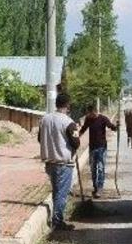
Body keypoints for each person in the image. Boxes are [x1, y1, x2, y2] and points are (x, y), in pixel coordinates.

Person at [38, 93, 80, 231]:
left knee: (57, 190)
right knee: (62, 192)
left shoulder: (44, 119)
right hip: (63, 163)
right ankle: (57, 221)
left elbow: (40, 138)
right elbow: (76, 142)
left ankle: (56, 217)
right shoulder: (69, 122)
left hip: (49, 162)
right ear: (68, 105)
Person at [79, 104, 118, 198]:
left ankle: (100, 188)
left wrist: (116, 126)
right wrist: (77, 136)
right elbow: (84, 128)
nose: (89, 116)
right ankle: (95, 187)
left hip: (101, 147)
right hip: (92, 147)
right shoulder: (88, 119)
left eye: (90, 114)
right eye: (88, 114)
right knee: (93, 168)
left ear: (95, 112)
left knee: (100, 167)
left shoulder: (103, 118)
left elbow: (111, 126)